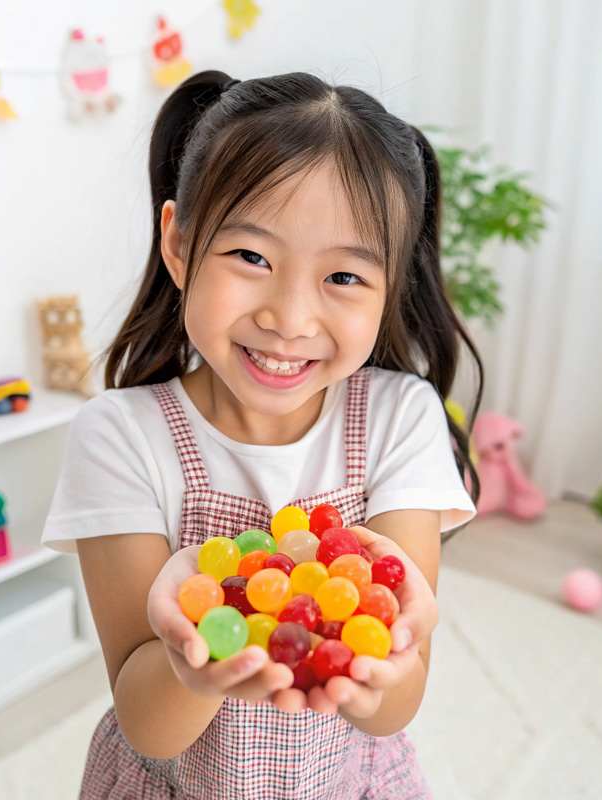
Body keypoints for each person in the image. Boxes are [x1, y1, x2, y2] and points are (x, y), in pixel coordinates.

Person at [42, 69, 482, 800]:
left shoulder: (400, 416)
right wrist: (192, 664)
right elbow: (146, 723)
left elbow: (396, 708)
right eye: (251, 257)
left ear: (390, 286)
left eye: (343, 277)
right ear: (179, 244)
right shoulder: (117, 435)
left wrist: (394, 660)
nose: (290, 317)